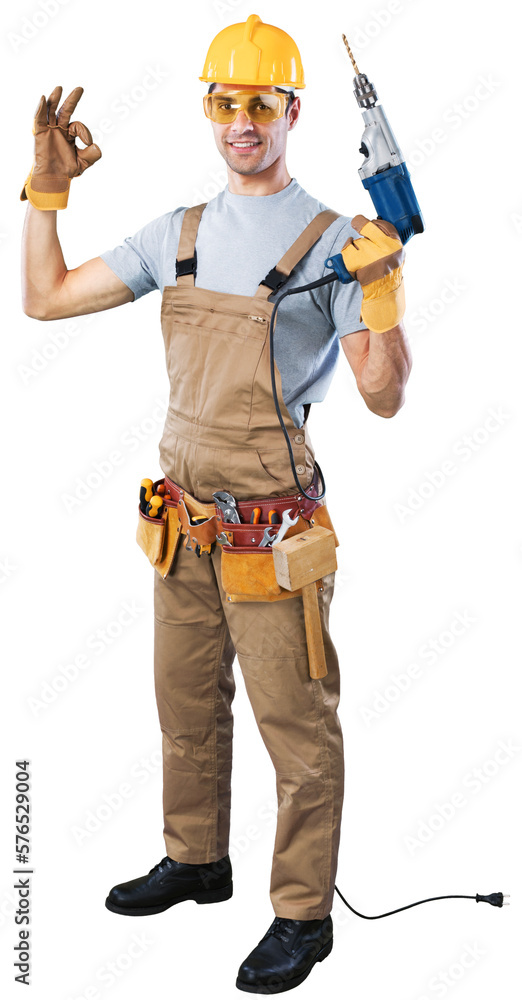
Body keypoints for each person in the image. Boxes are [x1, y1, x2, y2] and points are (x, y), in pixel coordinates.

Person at [21, 14, 411, 994]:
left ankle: (303, 915)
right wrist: (46, 194)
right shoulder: (179, 234)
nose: (244, 121)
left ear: (293, 112)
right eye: (227, 102)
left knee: (298, 732)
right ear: (208, 108)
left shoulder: (338, 242)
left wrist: (384, 296)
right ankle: (196, 858)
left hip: (274, 540)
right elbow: (44, 296)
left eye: (263, 103)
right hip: (181, 530)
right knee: (185, 706)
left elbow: (384, 395)